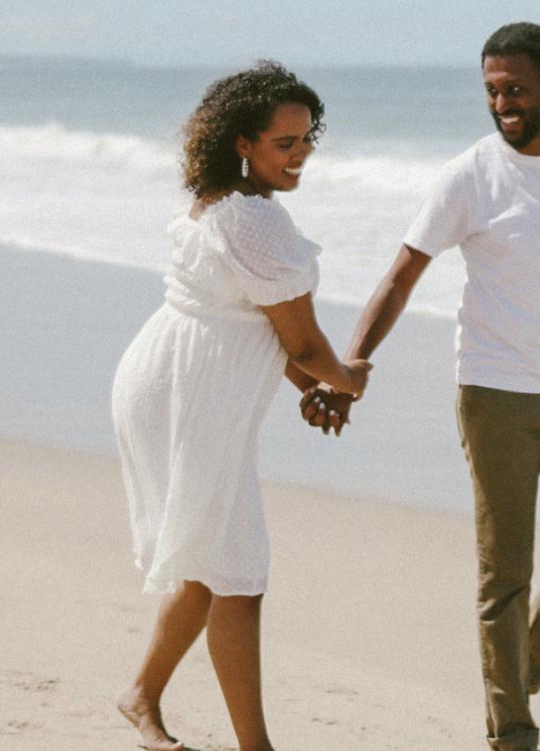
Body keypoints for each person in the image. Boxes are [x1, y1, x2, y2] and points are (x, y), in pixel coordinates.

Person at [304, 23, 540, 750]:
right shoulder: (468, 174)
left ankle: (514, 675)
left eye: (517, 89)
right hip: (494, 396)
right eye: (493, 90)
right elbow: (402, 274)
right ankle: (512, 735)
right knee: (505, 579)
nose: (503, 104)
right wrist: (348, 366)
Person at [112, 61, 371, 751]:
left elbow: (264, 328)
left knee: (214, 562)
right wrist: (344, 378)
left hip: (170, 381)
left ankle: (141, 696)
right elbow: (305, 341)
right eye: (284, 143)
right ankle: (254, 747)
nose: (302, 155)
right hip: (189, 395)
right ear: (242, 143)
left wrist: (313, 385)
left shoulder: (225, 204)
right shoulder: (254, 220)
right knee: (236, 571)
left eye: (307, 138)